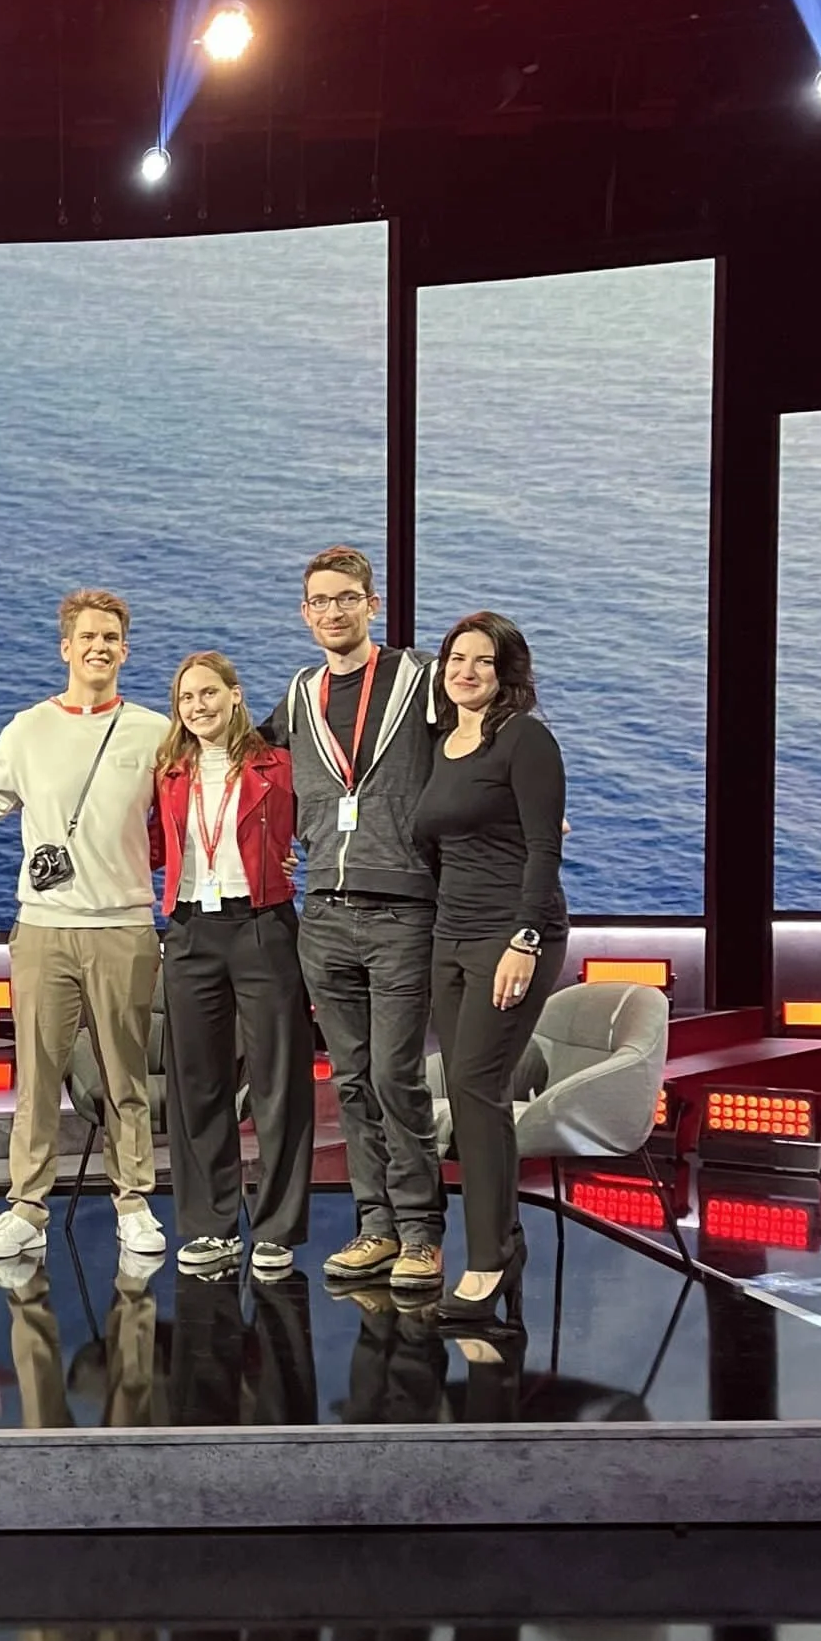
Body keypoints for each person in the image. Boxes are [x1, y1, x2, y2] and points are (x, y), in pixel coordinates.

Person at [264, 547, 446, 1297]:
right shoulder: (301, 693)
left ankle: (423, 1235)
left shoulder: (421, 680)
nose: (332, 611)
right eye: (318, 601)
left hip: (403, 907)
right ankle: (376, 1228)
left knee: (397, 1076)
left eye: (345, 598)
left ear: (371, 605)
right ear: (305, 613)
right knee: (351, 1078)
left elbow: (487, 745)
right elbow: (251, 767)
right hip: (325, 914)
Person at [0, 589, 167, 1268]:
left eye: (111, 637)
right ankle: (26, 1207)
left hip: (125, 928)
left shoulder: (154, 731)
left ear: (125, 649)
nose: (100, 647)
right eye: (87, 637)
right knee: (37, 1074)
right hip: (44, 928)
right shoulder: (27, 729)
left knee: (125, 1073)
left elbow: (196, 810)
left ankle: (134, 1201)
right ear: (65, 648)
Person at [414, 610, 567, 1323]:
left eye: (482, 661)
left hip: (513, 937)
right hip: (450, 934)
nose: (465, 671)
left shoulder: (526, 741)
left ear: (507, 674)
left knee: (475, 1085)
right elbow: (430, 846)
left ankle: (488, 1259)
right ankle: (502, 1236)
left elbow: (543, 849)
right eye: (455, 658)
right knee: (472, 1084)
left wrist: (525, 938)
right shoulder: (441, 742)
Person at [153, 651, 317, 1281]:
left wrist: (296, 859)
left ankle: (275, 1228)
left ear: (235, 695)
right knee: (197, 1085)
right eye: (186, 698)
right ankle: (210, 1226)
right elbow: (146, 843)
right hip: (190, 932)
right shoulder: (168, 772)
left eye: (208, 694)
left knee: (278, 1083)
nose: (198, 706)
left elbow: (326, 825)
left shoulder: (279, 764)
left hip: (262, 927)